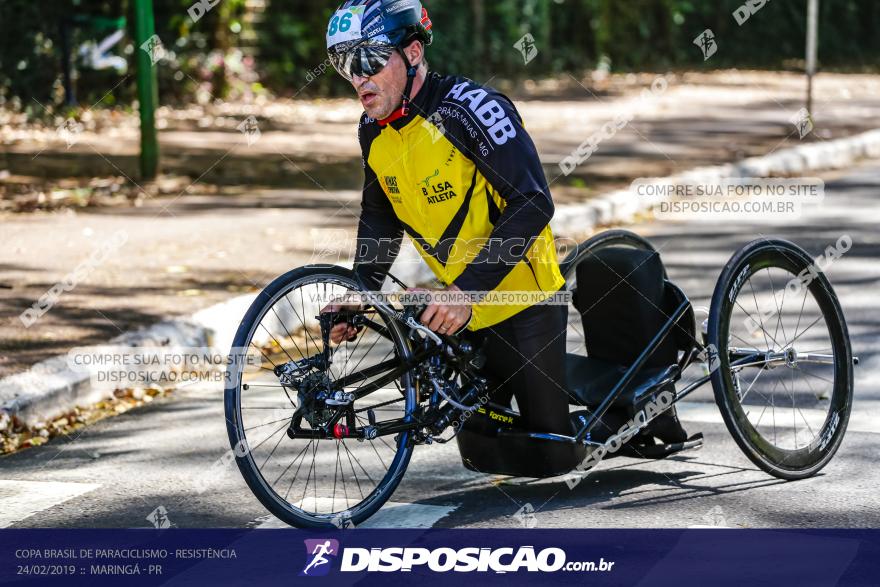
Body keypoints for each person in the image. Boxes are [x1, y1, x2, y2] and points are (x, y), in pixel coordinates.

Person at [322, 0, 574, 435]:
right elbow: (380, 219)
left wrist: (466, 292)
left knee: (550, 446)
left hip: (522, 299)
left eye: (370, 58)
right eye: (345, 63)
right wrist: (359, 290)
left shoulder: (470, 109)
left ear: (413, 53)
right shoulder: (372, 131)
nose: (358, 75)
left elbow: (533, 203)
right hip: (459, 311)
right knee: (482, 442)